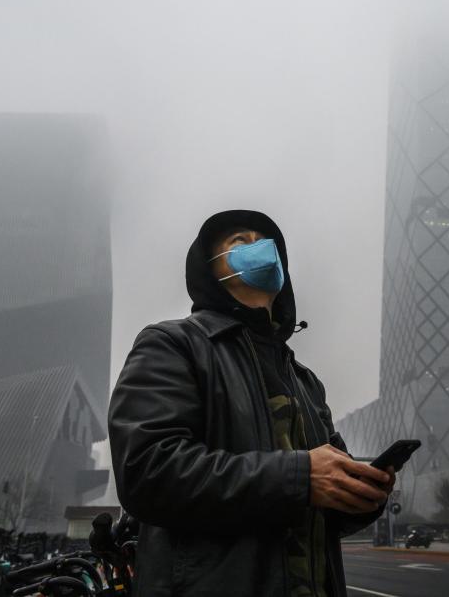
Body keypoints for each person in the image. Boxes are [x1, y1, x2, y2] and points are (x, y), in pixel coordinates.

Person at [108, 210, 395, 597]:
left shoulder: (304, 380)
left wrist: (360, 495)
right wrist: (299, 477)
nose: (258, 248)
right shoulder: (174, 345)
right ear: (210, 269)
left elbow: (320, 508)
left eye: (265, 241)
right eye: (239, 242)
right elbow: (147, 471)